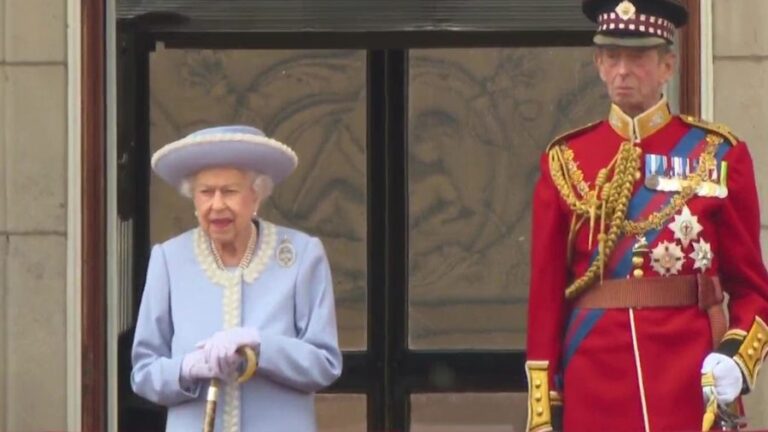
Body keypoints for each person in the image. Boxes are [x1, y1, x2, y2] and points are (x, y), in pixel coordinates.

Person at [525, 1, 768, 431]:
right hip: (593, 383)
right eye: (612, 56)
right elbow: (545, 298)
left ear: (667, 66)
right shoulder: (566, 161)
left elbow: (752, 290)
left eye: (638, 57)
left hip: (688, 381)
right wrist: (546, 410)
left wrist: (736, 357)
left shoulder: (717, 154)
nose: (623, 70)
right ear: (598, 64)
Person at [131, 125, 343, 431]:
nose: (217, 204)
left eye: (229, 191)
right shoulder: (169, 259)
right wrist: (187, 368)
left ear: (256, 195)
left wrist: (260, 346)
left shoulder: (301, 255)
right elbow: (143, 372)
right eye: (205, 192)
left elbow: (325, 363)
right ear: (194, 199)